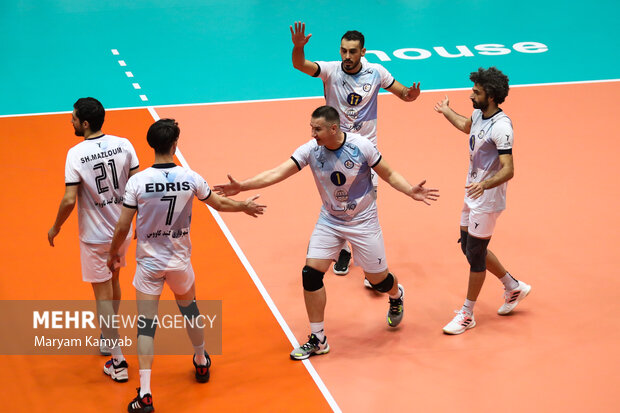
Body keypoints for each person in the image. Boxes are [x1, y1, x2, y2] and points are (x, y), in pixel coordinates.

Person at [215, 106, 438, 360]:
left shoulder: (361, 146)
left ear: (334, 128)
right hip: (330, 219)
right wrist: (242, 185)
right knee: (310, 274)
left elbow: (388, 173)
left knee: (379, 281)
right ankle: (318, 339)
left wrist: (410, 190)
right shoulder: (311, 150)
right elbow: (278, 172)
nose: (313, 133)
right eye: (311, 128)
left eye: (317, 129)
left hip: (363, 220)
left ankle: (396, 295)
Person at [107, 119, 265, 413]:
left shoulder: (137, 182)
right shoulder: (191, 178)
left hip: (149, 265)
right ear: (175, 143)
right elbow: (218, 204)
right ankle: (202, 361)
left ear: (152, 144)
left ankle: (145, 394)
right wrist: (244, 206)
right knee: (190, 312)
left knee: (146, 326)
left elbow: (123, 226)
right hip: (180, 263)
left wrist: (113, 253)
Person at [290, 22, 422, 280]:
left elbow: (403, 92)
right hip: (333, 147)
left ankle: (371, 265)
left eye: (352, 52)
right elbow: (300, 64)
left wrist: (411, 95)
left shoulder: (376, 72)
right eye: (343, 51)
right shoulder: (331, 71)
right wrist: (297, 48)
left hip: (365, 152)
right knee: (335, 199)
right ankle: (342, 250)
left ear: (363, 52)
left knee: (364, 204)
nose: (346, 57)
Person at [433, 67, 531, 335]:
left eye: (476, 91)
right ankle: (513, 287)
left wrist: (484, 185)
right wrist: (446, 111)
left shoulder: (502, 127)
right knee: (467, 246)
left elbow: (508, 169)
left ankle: (467, 314)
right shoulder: (478, 114)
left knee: (476, 254)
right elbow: (468, 126)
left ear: (490, 95)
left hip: (487, 198)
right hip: (472, 191)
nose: (471, 94)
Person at [48, 97, 138, 381]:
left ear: (85, 123)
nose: (71, 121)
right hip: (121, 232)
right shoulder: (125, 145)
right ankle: (107, 337)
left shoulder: (75, 153)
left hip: (95, 238)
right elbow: (138, 187)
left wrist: (55, 227)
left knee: (102, 296)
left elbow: (69, 199)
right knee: (114, 283)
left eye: (73, 117)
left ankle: (118, 361)